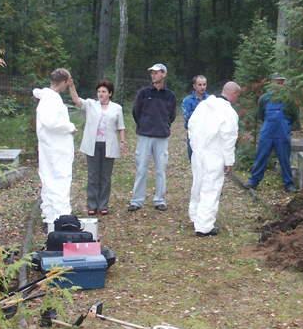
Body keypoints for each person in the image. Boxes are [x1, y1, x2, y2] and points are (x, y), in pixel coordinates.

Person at [188, 81, 241, 237]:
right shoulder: (229, 113)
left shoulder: (204, 105)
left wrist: (195, 145)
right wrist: (229, 160)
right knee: (211, 188)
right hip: (214, 153)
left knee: (198, 183)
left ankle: (195, 214)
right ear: (234, 94)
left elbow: (191, 125)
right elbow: (229, 138)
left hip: (198, 152)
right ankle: (204, 226)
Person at [69, 79, 127, 216]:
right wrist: (71, 86)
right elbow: (77, 101)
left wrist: (123, 142)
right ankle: (92, 204)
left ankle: (103, 205)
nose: (101, 94)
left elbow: (121, 127)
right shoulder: (91, 105)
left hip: (109, 144)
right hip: (92, 144)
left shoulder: (117, 108)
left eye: (104, 91)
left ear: (110, 93)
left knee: (105, 176)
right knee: (93, 175)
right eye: (99, 91)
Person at [128, 63, 177, 212]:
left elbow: (172, 115)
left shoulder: (170, 96)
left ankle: (160, 200)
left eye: (156, 72)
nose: (153, 75)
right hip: (145, 135)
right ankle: (137, 200)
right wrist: (143, 125)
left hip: (161, 136)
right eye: (152, 73)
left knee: (161, 169)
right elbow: (136, 111)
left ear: (163, 74)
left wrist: (163, 125)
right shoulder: (143, 93)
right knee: (141, 168)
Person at [32, 68, 77, 228]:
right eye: (68, 81)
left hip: (53, 148)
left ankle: (51, 217)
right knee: (59, 182)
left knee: (51, 182)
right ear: (64, 82)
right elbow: (51, 122)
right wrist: (69, 126)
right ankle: (60, 219)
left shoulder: (49, 97)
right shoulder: (50, 100)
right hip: (55, 150)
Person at [244, 73, 300, 193]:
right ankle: (253, 181)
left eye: (282, 82)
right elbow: (261, 115)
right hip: (267, 133)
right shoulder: (264, 99)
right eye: (277, 82)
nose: (280, 84)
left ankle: (289, 184)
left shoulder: (289, 99)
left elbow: (294, 116)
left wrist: (286, 126)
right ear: (272, 83)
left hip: (282, 133)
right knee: (261, 157)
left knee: (284, 159)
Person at [181, 75, 209, 160]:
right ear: (194, 86)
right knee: (193, 160)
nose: (202, 87)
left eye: (204, 84)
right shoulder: (187, 100)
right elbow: (188, 117)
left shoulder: (210, 99)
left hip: (208, 134)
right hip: (193, 134)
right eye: (199, 85)